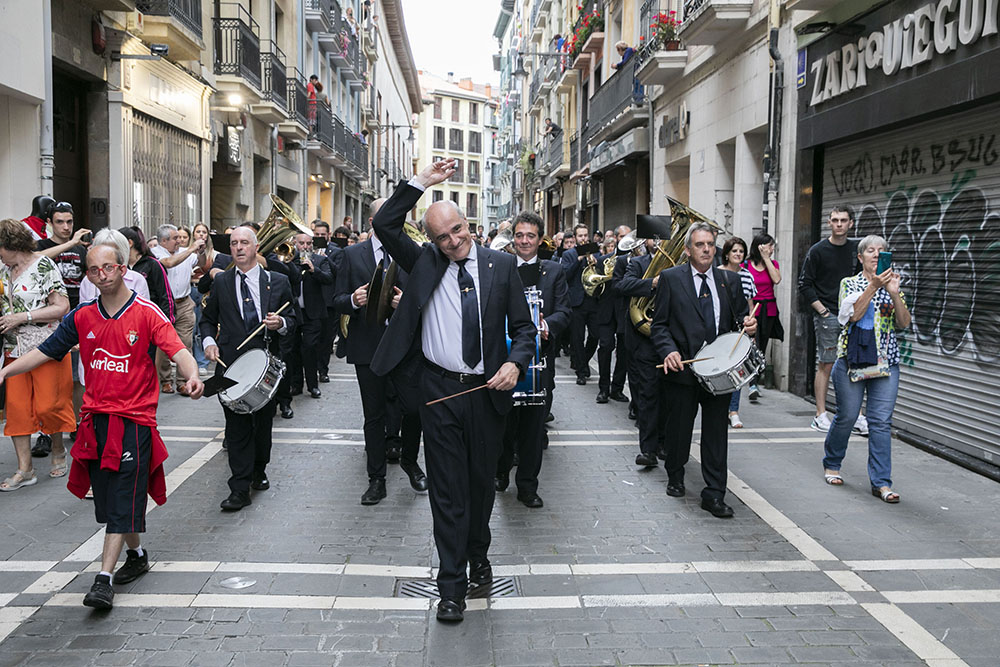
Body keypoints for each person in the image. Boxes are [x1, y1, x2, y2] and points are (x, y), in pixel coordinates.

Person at [370, 158, 535, 623]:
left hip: (486, 393)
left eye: (458, 231)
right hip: (439, 392)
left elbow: (523, 330)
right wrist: (421, 183)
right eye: (442, 237)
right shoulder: (423, 262)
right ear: (432, 240)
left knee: (482, 486)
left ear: (470, 224)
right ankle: (450, 585)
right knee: (447, 491)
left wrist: (514, 362)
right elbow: (384, 222)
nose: (453, 242)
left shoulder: (502, 267)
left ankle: (479, 554)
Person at [0, 244, 203, 608]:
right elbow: (44, 351)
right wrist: (5, 371)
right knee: (110, 503)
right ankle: (137, 556)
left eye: (107, 267)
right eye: (93, 270)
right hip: (95, 423)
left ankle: (103, 579)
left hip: (134, 422)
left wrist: (193, 376)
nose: (101, 275)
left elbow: (178, 350)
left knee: (123, 497)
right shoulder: (82, 316)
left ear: (122, 269)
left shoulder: (146, 312)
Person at [651, 223, 756, 518]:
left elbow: (739, 321)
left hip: (718, 373)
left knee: (715, 436)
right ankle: (675, 473)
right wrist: (668, 350)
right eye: (700, 244)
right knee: (679, 430)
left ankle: (714, 494)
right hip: (683, 370)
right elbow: (659, 325)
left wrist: (749, 326)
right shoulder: (671, 279)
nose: (707, 249)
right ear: (687, 250)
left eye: (710, 243)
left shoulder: (729, 281)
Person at [335, 199, 426, 505]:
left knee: (413, 409)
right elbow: (335, 300)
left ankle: (410, 461)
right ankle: (376, 480)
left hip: (406, 348)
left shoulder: (412, 252)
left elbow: (426, 299)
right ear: (375, 222)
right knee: (373, 416)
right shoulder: (351, 255)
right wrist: (352, 300)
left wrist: (408, 306)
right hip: (369, 347)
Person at [200, 227, 296, 511]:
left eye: (244, 243)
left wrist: (281, 324)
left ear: (256, 248)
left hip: (265, 365)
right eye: (234, 243)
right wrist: (208, 342)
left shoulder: (276, 281)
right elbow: (207, 319)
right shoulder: (222, 283)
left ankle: (259, 469)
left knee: (263, 424)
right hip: (230, 366)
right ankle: (239, 488)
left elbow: (293, 316)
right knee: (237, 426)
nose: (239, 248)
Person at [822, 235, 910, 503]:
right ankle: (832, 462)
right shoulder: (849, 284)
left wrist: (894, 293)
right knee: (847, 416)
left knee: (880, 423)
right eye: (870, 251)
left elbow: (903, 323)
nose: (876, 254)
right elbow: (853, 315)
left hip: (887, 363)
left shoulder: (894, 284)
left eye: (881, 251)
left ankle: (882, 483)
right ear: (860, 258)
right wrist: (873, 286)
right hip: (853, 362)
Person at [495, 211, 570, 507]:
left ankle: (527, 486)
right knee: (503, 423)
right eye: (520, 235)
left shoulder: (553, 271)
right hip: (505, 360)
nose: (524, 241)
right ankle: (500, 472)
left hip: (539, 363)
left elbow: (565, 311)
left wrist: (546, 325)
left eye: (530, 236)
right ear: (513, 238)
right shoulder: (500, 266)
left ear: (540, 240)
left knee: (533, 429)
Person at [0, 219, 74, 490]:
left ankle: (58, 448)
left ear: (11, 244)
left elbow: (62, 307)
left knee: (49, 406)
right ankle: (25, 469)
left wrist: (24, 316)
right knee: (17, 411)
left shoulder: (43, 266)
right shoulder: (3, 270)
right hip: (14, 350)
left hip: (46, 347)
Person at [799, 206, 867, 435]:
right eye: (835, 220)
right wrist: (823, 312)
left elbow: (864, 279)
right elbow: (805, 284)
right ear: (829, 222)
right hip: (828, 315)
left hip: (853, 317)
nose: (839, 224)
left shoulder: (857, 250)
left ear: (851, 224)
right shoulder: (818, 250)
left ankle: (856, 416)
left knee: (855, 363)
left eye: (843, 220)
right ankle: (820, 415)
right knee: (826, 363)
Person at [34, 201, 90, 457]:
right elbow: (37, 260)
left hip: (78, 316)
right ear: (49, 223)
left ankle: (77, 424)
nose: (66, 227)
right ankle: (45, 433)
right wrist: (71, 243)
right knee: (48, 380)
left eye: (69, 221)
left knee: (77, 376)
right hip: (49, 320)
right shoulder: (41, 247)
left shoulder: (82, 250)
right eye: (60, 222)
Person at [618, 240, 668, 466]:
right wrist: (653, 283)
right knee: (648, 394)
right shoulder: (637, 263)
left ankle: (664, 443)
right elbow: (623, 285)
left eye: (663, 238)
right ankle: (648, 449)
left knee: (669, 397)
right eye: (653, 238)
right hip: (644, 339)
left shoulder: (680, 266)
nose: (657, 243)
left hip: (672, 338)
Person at [151, 224, 206, 395]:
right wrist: (191, 249)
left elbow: (202, 264)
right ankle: (165, 380)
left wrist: (201, 252)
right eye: (175, 238)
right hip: (164, 304)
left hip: (184, 302)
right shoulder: (156, 253)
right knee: (163, 345)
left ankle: (183, 382)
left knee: (185, 343)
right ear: (164, 240)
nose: (179, 241)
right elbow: (169, 263)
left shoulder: (185, 251)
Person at [288, 232, 334, 398]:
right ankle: (296, 384)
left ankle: (312, 385)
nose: (305, 246)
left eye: (308, 243)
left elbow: (329, 278)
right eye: (302, 243)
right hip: (294, 312)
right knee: (293, 350)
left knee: (309, 348)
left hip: (312, 313)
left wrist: (314, 270)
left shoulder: (320, 260)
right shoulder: (288, 259)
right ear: (295, 243)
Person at [720, 237, 756, 428]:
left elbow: (750, 306)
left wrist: (751, 327)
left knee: (737, 370)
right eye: (734, 251)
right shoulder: (717, 274)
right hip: (719, 330)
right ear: (726, 253)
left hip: (738, 329)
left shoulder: (747, 276)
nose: (738, 254)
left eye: (741, 251)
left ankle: (733, 411)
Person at [595, 225, 631, 404]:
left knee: (624, 352)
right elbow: (595, 287)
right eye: (623, 236)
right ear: (616, 238)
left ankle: (617, 388)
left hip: (624, 311)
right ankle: (603, 389)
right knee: (605, 348)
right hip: (606, 311)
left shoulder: (634, 260)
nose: (626, 239)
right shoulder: (604, 260)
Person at [560, 224, 600, 385]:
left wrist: (597, 263)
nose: (583, 238)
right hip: (576, 301)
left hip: (593, 299)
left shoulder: (595, 251)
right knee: (577, 338)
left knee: (595, 335)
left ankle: (582, 361)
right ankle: (581, 371)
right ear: (575, 238)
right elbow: (565, 275)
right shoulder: (569, 254)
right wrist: (579, 259)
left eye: (585, 235)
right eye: (580, 236)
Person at [745, 233, 782, 402]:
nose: (772, 249)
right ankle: (751, 382)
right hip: (753, 310)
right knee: (752, 346)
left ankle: (755, 381)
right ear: (760, 246)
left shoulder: (773, 264)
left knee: (762, 347)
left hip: (769, 310)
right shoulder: (746, 265)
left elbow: (776, 279)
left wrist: (766, 258)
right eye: (769, 245)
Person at [119, 226, 174, 322]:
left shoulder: (153, 264)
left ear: (129, 243)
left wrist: (166, 322)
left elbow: (165, 296)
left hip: (152, 319)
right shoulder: (120, 266)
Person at [190, 223, 213, 377]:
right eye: (198, 232)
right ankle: (190, 361)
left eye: (204, 232)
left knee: (201, 328)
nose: (201, 235)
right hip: (190, 290)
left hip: (205, 291)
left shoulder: (214, 253)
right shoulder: (187, 252)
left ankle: (202, 362)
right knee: (190, 329)